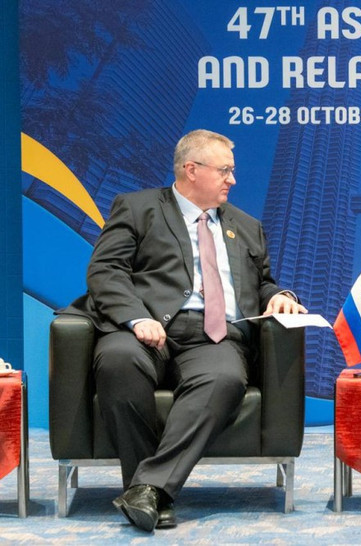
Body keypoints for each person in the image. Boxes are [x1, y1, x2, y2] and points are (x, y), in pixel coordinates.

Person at [61, 129, 306, 532]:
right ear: (191, 170)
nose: (233, 180)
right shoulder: (138, 209)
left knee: (225, 378)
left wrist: (279, 295)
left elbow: (261, 280)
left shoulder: (247, 226)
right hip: (143, 327)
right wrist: (137, 318)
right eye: (225, 170)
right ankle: (151, 491)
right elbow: (106, 270)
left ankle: (149, 491)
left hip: (215, 335)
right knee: (118, 362)